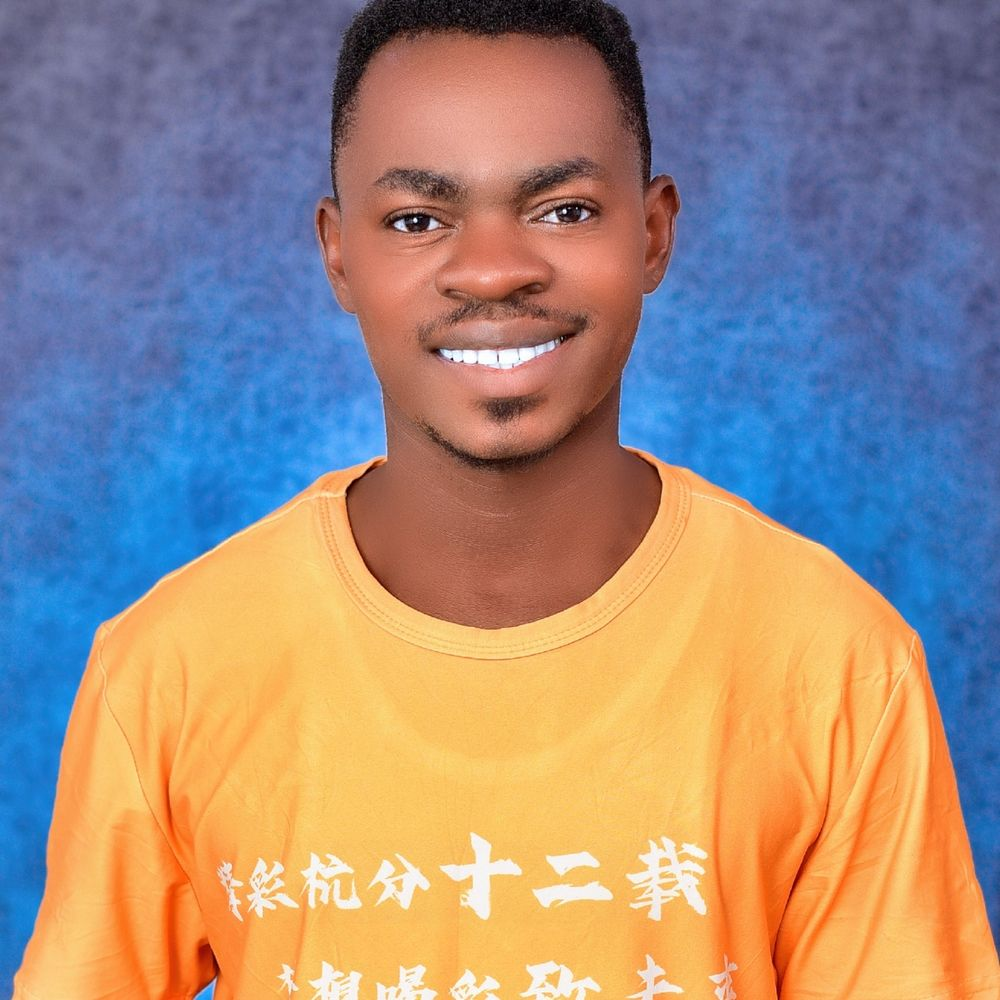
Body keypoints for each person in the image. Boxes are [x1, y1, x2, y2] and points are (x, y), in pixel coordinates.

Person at [14, 0, 999, 997]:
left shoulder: (836, 665)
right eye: (417, 220)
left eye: (563, 209)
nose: (491, 271)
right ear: (338, 252)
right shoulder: (171, 668)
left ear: (654, 233)